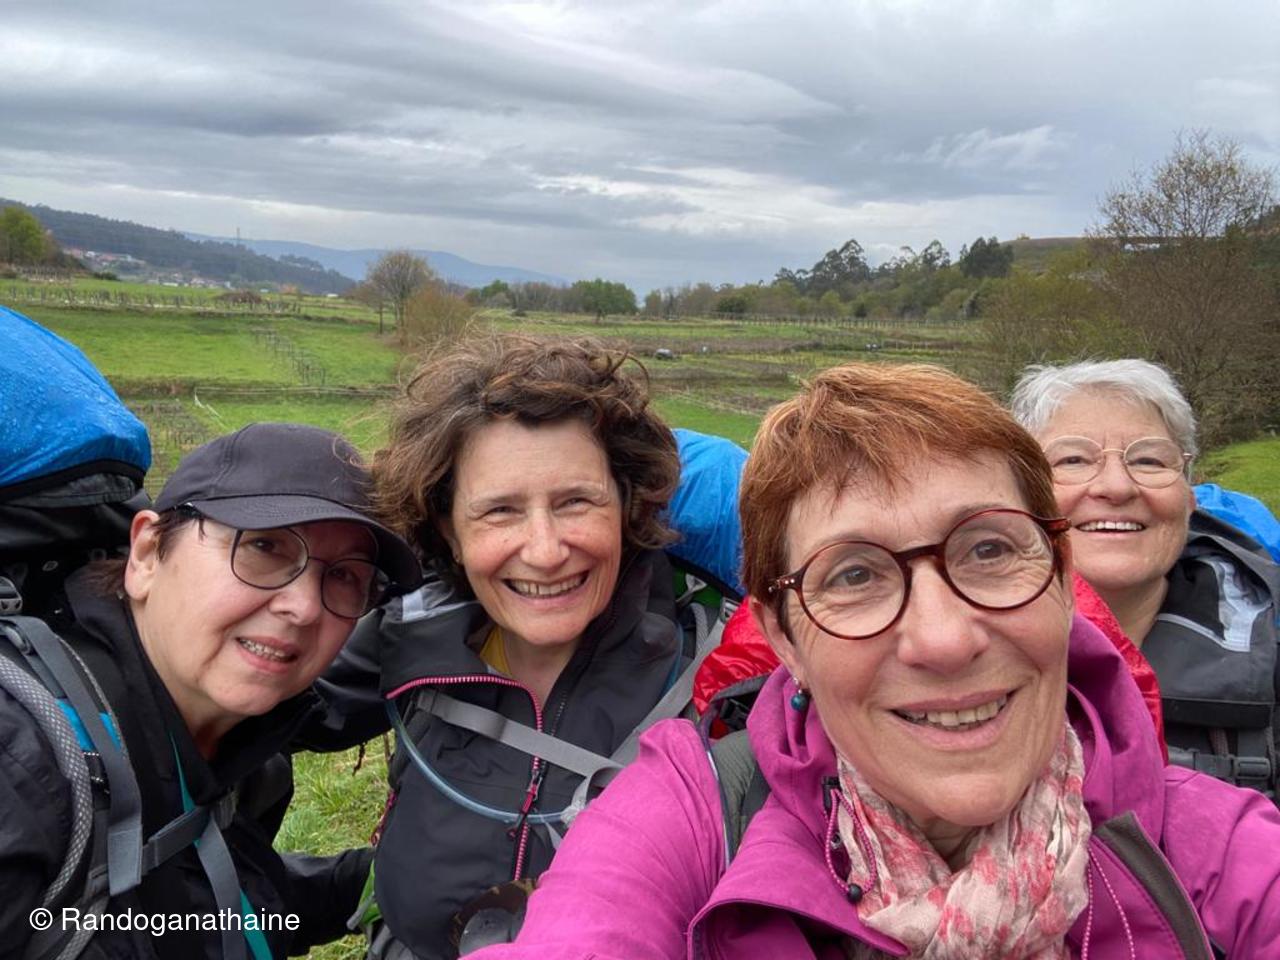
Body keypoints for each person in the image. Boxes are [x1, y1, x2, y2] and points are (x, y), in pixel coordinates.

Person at [468, 362, 1280, 959]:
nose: (944, 639)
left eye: (990, 549)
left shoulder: (1223, 853)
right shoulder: (694, 814)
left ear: (1065, 582)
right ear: (785, 638)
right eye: (853, 575)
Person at [304, 335, 705, 959]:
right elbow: (262, 717)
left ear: (626, 507)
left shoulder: (709, 687)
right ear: (449, 531)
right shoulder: (410, 632)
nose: (544, 551)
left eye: (576, 501)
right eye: (500, 511)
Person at [0, 422, 420, 960]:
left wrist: (376, 879)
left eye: (345, 576)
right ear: (147, 552)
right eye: (264, 546)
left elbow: (196, 903)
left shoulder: (236, 747)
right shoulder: (21, 762)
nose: (304, 606)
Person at [1011, 359, 1279, 798]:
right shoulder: (949, 649)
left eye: (1149, 460)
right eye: (1073, 459)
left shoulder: (1272, 647)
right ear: (1017, 495)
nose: (1117, 487)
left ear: (1189, 497)